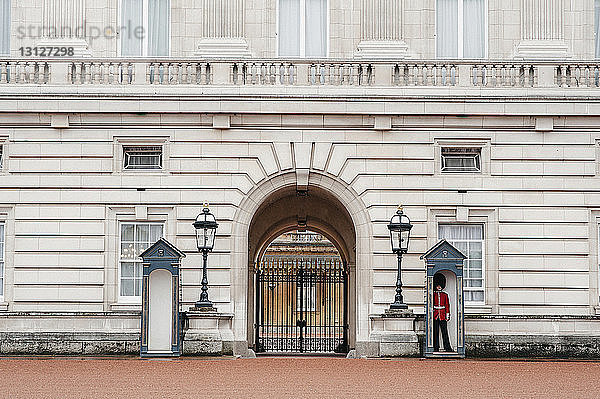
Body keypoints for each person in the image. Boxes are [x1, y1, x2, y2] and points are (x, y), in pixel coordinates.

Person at [433, 283, 453, 352]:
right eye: (437, 285)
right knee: (435, 332)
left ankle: (447, 347)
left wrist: (447, 314)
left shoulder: (445, 295)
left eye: (440, 285)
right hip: (435, 315)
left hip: (442, 315)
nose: (439, 287)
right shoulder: (433, 294)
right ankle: (436, 347)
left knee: (444, 332)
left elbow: (447, 305)